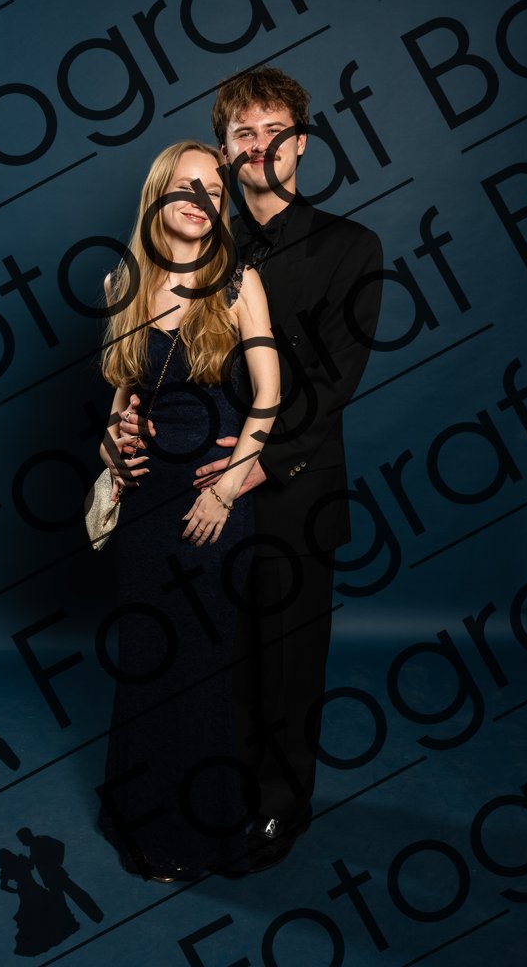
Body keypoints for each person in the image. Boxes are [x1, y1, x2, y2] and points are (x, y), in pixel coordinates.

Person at [120, 69, 383, 872]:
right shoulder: (208, 243)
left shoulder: (350, 247)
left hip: (292, 487)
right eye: (243, 134)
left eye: (275, 132)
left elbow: (335, 381)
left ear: (301, 143)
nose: (260, 147)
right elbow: (157, 356)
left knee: (285, 664)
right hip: (195, 488)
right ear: (225, 151)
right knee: (212, 660)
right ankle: (211, 798)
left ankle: (278, 806)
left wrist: (256, 464)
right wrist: (129, 425)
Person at [96, 140, 280, 882]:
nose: (200, 201)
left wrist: (227, 487)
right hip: (146, 502)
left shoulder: (238, 282)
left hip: (214, 501)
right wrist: (113, 446)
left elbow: (269, 397)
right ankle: (138, 822)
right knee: (146, 658)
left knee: (201, 667)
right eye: (186, 186)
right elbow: (120, 397)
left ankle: (198, 833)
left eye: (213, 190)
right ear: (158, 196)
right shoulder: (123, 282)